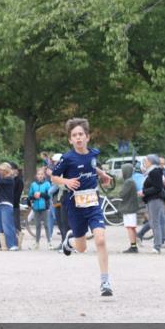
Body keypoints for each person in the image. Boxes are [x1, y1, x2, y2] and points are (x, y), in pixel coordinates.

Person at [51, 118, 115, 295]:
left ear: (87, 137)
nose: (78, 138)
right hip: (75, 205)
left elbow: (92, 167)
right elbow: (54, 177)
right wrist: (67, 181)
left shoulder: (93, 154)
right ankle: (69, 242)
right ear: (70, 140)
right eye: (74, 135)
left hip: (93, 202)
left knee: (100, 239)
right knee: (81, 248)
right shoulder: (67, 158)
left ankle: (105, 282)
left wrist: (103, 175)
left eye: (81, 134)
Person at [141, 153, 165, 254]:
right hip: (151, 199)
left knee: (155, 222)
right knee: (153, 222)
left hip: (155, 199)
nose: (145, 162)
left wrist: (144, 192)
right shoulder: (151, 171)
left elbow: (157, 188)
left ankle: (157, 246)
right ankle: (157, 244)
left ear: (151, 162)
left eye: (146, 160)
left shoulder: (154, 171)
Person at [0, 163, 19, 251]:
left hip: (7, 205)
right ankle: (2, 245)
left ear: (5, 171)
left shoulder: (10, 179)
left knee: (7, 225)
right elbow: (0, 186)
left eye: (0, 170)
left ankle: (13, 244)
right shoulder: (4, 180)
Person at [28, 168, 53, 249]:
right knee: (37, 225)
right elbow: (29, 196)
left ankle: (49, 243)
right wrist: (34, 196)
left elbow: (49, 195)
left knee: (46, 225)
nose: (40, 176)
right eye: (38, 174)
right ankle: (37, 243)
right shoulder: (33, 184)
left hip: (45, 207)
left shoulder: (47, 184)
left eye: (42, 174)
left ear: (44, 175)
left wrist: (41, 194)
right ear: (36, 175)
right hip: (36, 207)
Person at [119, 163, 141, 253]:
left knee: (130, 227)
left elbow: (121, 194)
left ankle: (133, 246)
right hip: (131, 207)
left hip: (129, 208)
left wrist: (121, 190)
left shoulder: (128, 182)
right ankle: (135, 243)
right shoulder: (131, 181)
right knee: (132, 227)